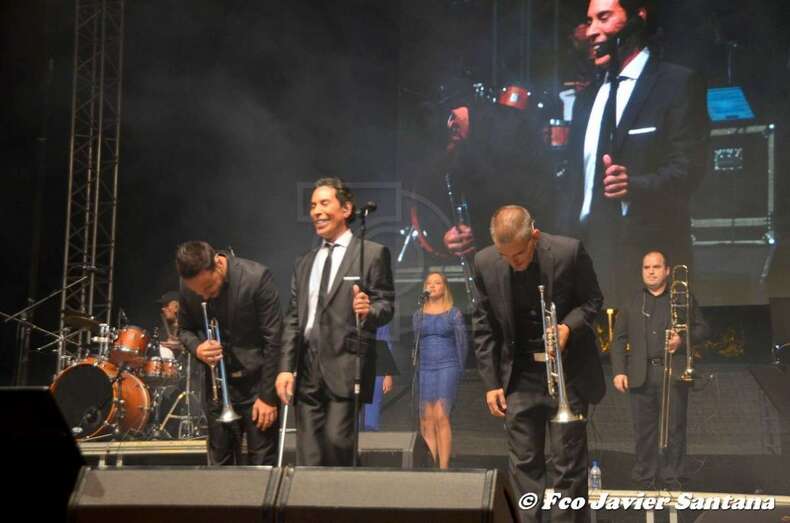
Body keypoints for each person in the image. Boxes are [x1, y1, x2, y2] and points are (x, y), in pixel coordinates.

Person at [556, 0, 709, 308]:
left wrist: (635, 185)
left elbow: (689, 168)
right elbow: (573, 180)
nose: (591, 31)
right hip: (588, 251)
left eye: (603, 18)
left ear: (637, 18)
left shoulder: (675, 84)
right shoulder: (587, 98)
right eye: (589, 21)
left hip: (646, 253)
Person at [473, 205, 605, 523]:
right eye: (505, 256)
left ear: (534, 235)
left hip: (567, 373)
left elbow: (593, 300)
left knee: (568, 466)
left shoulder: (568, 252)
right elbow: (483, 324)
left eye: (519, 254)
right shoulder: (485, 261)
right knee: (523, 467)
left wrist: (567, 327)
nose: (513, 263)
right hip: (519, 377)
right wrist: (491, 383)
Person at [276, 177, 395, 466]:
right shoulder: (304, 262)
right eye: (312, 205)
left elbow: (386, 305)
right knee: (309, 454)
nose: (316, 211)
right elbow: (293, 319)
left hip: (346, 364)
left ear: (346, 209)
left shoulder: (371, 254)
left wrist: (368, 310)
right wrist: (285, 368)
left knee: (337, 445)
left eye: (324, 203)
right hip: (307, 368)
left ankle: (345, 494)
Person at [610, 250, 709, 490]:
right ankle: (644, 478)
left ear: (667, 271)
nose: (651, 272)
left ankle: (673, 478)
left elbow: (703, 329)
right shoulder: (632, 302)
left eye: (656, 267)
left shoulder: (682, 298)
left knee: (675, 428)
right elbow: (619, 340)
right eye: (646, 267)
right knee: (644, 431)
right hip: (641, 375)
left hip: (672, 373)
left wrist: (681, 340)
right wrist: (619, 371)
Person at [176, 241, 282, 465]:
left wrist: (268, 397)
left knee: (262, 463)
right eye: (197, 291)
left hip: (257, 386)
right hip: (217, 391)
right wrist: (198, 348)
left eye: (208, 287)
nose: (204, 296)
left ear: (217, 263)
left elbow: (274, 340)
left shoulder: (256, 278)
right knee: (219, 466)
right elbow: (184, 330)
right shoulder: (188, 286)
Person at [413, 271, 468, 469]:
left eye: (437, 283)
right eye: (429, 283)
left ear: (445, 287)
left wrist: (460, 371)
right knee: (426, 419)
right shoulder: (418, 314)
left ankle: (444, 468)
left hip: (447, 365)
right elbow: (416, 345)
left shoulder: (454, 313)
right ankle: (431, 465)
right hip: (425, 368)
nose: (432, 286)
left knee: (441, 416)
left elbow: (462, 344)